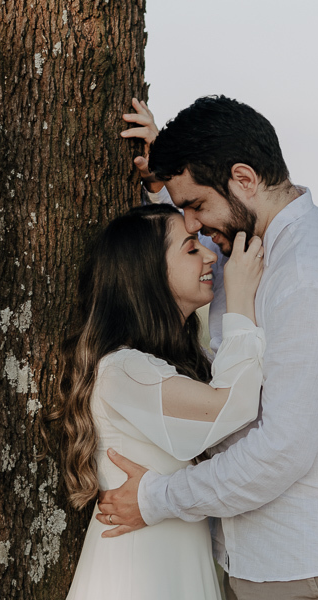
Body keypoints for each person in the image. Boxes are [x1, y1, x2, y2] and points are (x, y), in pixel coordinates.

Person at [98, 95, 318, 600]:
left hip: (306, 556)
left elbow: (280, 451)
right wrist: (162, 181)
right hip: (270, 554)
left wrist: (154, 499)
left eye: (196, 205)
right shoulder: (250, 242)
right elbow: (173, 257)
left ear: (245, 178)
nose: (192, 223)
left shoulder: (311, 277)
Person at [50, 202, 266, 599]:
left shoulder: (167, 363)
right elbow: (229, 405)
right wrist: (240, 303)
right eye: (191, 248)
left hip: (174, 560)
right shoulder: (124, 370)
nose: (210, 255)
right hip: (141, 573)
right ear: (148, 274)